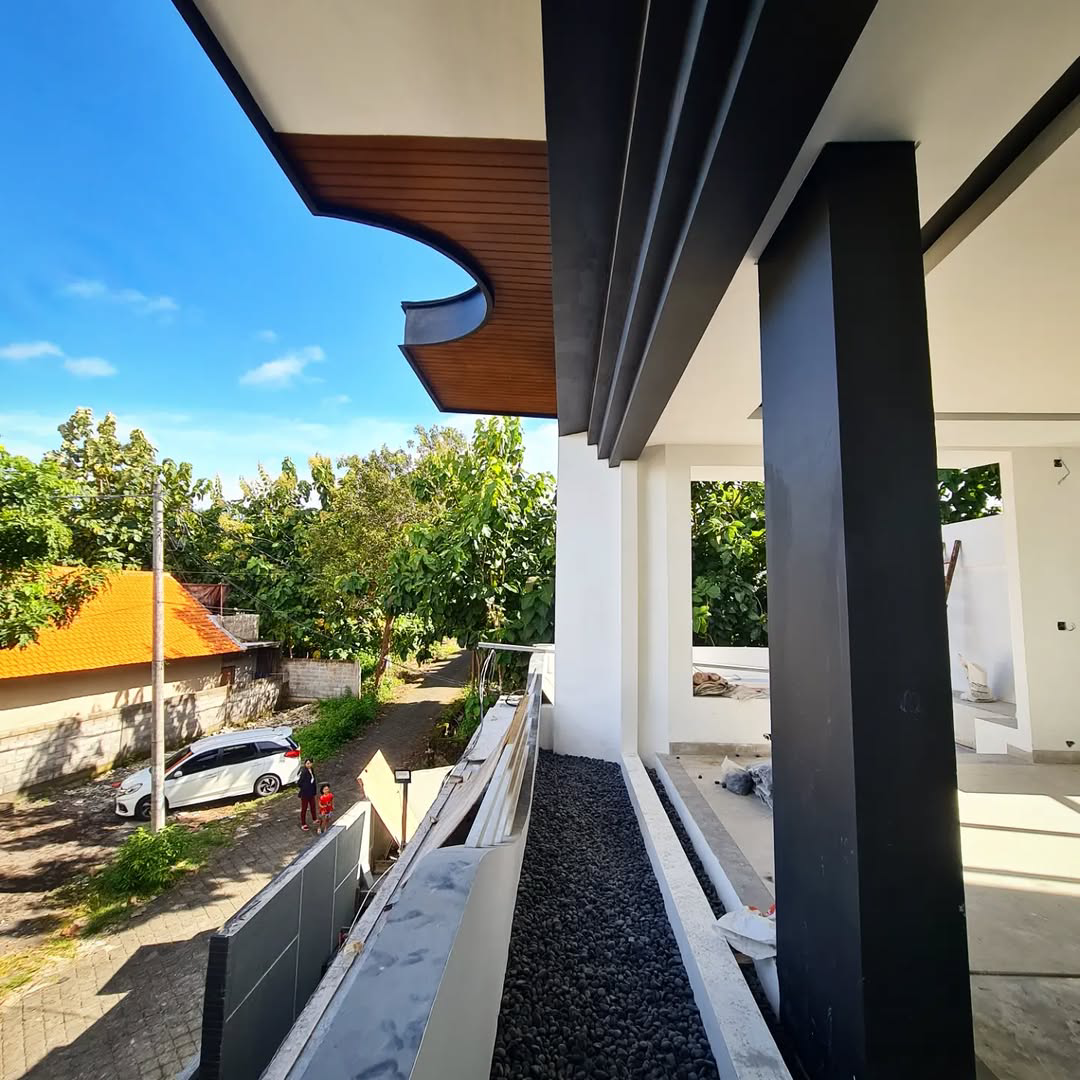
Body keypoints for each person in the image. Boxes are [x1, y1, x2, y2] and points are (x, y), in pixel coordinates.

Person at [298, 759, 317, 831]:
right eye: (307, 763)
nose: (308, 765)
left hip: (311, 792)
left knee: (313, 806)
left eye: (310, 763)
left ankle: (314, 819)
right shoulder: (304, 772)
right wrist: (305, 787)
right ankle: (303, 824)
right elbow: (299, 783)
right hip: (305, 794)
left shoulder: (311, 770)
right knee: (304, 808)